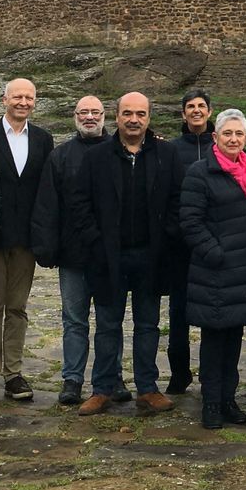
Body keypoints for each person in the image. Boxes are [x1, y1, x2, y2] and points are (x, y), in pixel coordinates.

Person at [69, 92, 179, 417]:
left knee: (147, 325)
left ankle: (147, 388)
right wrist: (94, 241)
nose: (134, 120)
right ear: (116, 116)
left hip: (150, 254)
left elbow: (177, 200)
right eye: (127, 113)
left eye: (140, 114)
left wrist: (167, 238)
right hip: (107, 256)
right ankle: (102, 389)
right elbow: (79, 203)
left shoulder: (167, 155)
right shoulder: (96, 157)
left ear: (148, 117)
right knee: (107, 325)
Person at [181, 109, 246, 429]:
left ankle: (228, 399)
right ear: (215, 137)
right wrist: (215, 252)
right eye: (227, 134)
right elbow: (190, 222)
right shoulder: (200, 172)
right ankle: (210, 402)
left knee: (234, 336)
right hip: (216, 270)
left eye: (239, 134)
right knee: (214, 339)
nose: (233, 139)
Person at [0, 78, 54, 401]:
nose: (23, 102)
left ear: (35, 102)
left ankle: (14, 373)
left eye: (29, 97)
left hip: (26, 239)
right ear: (4, 99)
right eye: (17, 96)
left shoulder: (44, 140)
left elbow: (47, 188)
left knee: (17, 307)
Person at [30, 95, 109, 406]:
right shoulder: (61, 156)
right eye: (83, 112)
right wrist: (47, 250)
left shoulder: (117, 151)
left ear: (105, 116)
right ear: (75, 116)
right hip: (73, 257)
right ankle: (72, 379)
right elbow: (47, 206)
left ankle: (109, 379)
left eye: (95, 112)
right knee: (74, 321)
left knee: (108, 322)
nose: (89, 117)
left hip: (107, 256)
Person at [164, 90, 213, 396]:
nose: (196, 111)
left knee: (211, 314)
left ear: (210, 112)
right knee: (178, 314)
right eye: (190, 107)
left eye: (201, 106)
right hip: (179, 245)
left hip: (211, 245)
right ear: (183, 114)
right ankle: (179, 373)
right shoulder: (170, 150)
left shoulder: (219, 146)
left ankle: (210, 374)